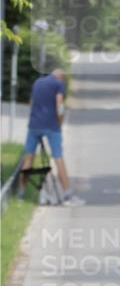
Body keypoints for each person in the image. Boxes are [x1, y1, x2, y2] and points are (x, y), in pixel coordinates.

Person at [19, 68, 85, 206]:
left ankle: (21, 193)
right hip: (51, 125)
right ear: (61, 77)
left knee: (28, 157)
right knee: (58, 157)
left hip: (34, 125)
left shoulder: (37, 82)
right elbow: (59, 105)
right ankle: (67, 195)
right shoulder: (58, 83)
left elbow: (31, 103)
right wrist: (59, 124)